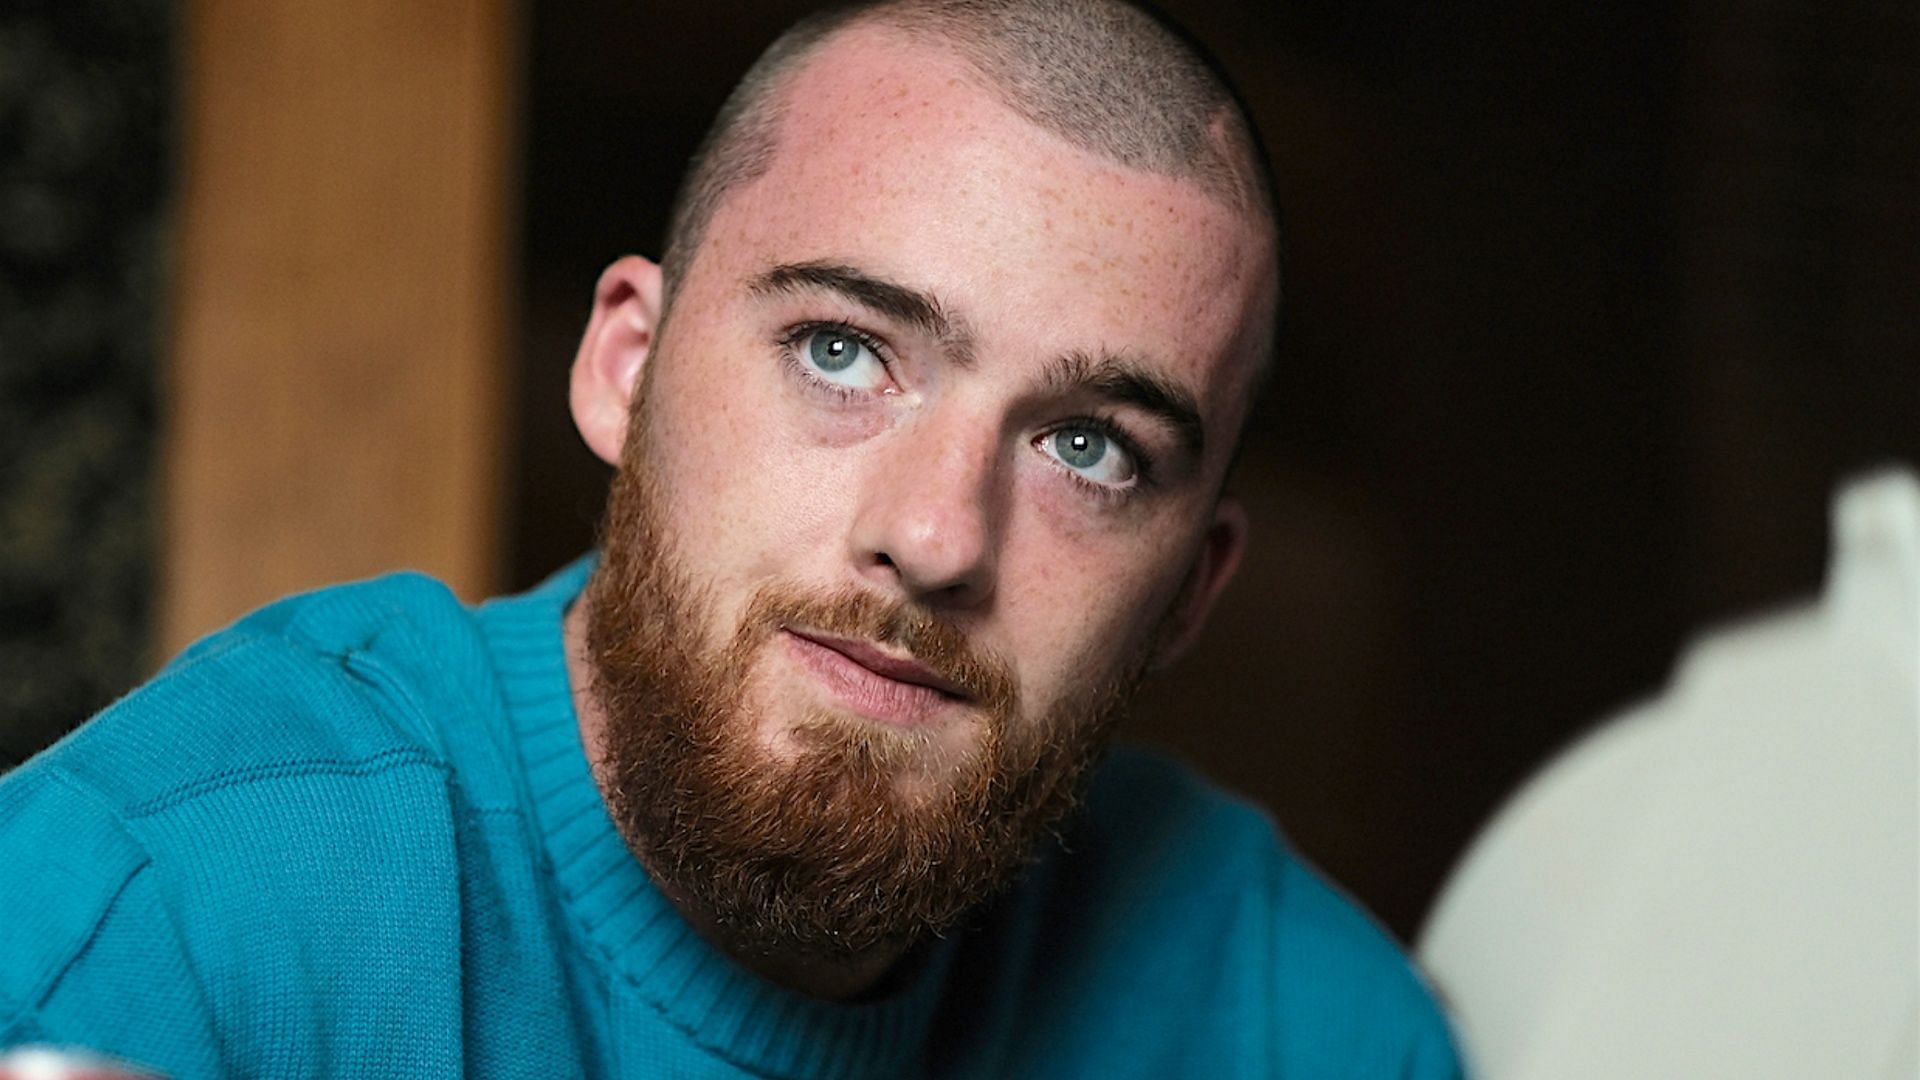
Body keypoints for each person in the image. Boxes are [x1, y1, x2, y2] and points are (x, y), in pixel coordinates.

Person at [0, 1, 1461, 1075]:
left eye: (1090, 448)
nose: (936, 537)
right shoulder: (162, 909)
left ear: (1191, 592)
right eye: (842, 351)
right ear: (622, 370)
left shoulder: (1285, 1020)